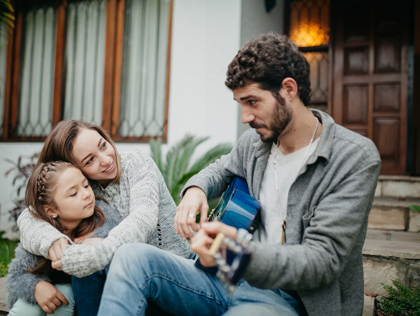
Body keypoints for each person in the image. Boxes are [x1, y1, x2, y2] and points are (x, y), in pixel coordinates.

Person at [97, 33, 381, 316]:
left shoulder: (353, 157)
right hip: (221, 281)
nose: (245, 117)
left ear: (288, 90)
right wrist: (195, 190)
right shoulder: (255, 143)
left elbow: (322, 261)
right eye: (240, 104)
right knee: (130, 256)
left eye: (252, 102)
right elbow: (218, 169)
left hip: (288, 300)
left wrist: (232, 254)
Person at [16, 120, 193, 315]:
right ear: (74, 168)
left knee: (93, 258)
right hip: (126, 286)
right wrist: (52, 241)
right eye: (89, 161)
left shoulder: (136, 163)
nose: (107, 160)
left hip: (175, 279)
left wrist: (98, 253)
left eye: (103, 145)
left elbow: (143, 218)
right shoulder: (85, 187)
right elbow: (30, 215)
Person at [7, 161, 122, 315]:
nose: (87, 194)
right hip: (43, 294)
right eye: (73, 193)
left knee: (64, 294)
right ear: (51, 210)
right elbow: (16, 276)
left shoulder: (104, 219)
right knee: (26, 308)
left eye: (86, 185)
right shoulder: (41, 233)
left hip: (83, 298)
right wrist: (36, 287)